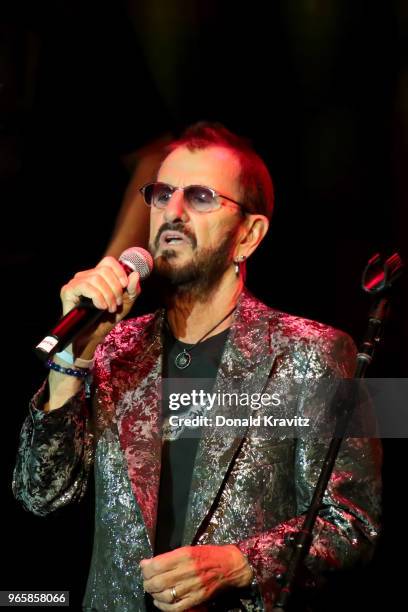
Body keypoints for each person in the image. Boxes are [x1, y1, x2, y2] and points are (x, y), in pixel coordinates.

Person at [13, 123, 381, 611]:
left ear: (249, 234)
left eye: (201, 196)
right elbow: (40, 495)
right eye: (162, 194)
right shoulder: (113, 347)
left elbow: (352, 523)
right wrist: (70, 360)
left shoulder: (318, 351)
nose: (173, 212)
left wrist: (240, 563)